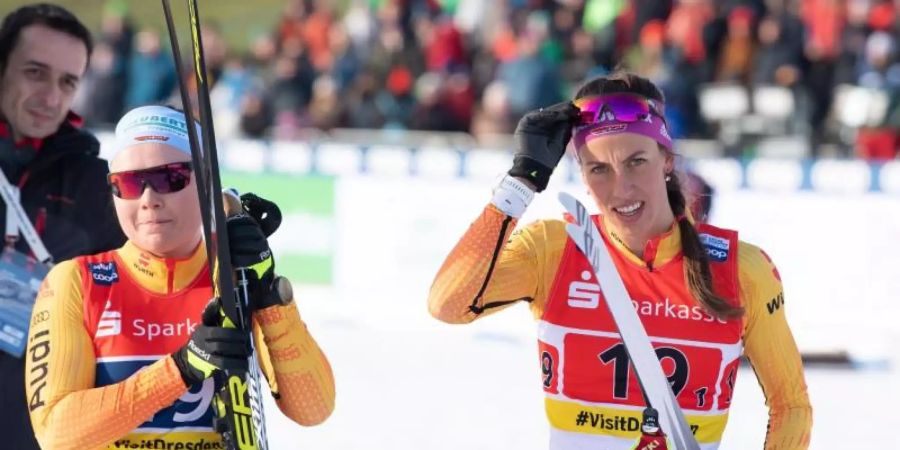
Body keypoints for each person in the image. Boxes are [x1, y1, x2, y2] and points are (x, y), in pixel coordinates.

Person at [428, 72, 812, 449]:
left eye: (636, 161)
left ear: (665, 160)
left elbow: (790, 406)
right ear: (582, 174)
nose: (621, 187)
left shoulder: (740, 270)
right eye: (599, 169)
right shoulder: (554, 250)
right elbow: (448, 304)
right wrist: (521, 180)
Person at [25, 105, 335, 449]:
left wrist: (268, 298)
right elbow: (55, 432)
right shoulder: (77, 282)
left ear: (206, 183)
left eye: (169, 178)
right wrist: (181, 370)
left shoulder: (232, 277)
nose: (148, 199)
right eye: (128, 183)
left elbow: (314, 408)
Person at [0, 4, 126, 449]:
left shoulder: (98, 185)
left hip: (47, 431)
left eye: (68, 81)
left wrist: (226, 225)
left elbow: (158, 265)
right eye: (35, 73)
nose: (52, 97)